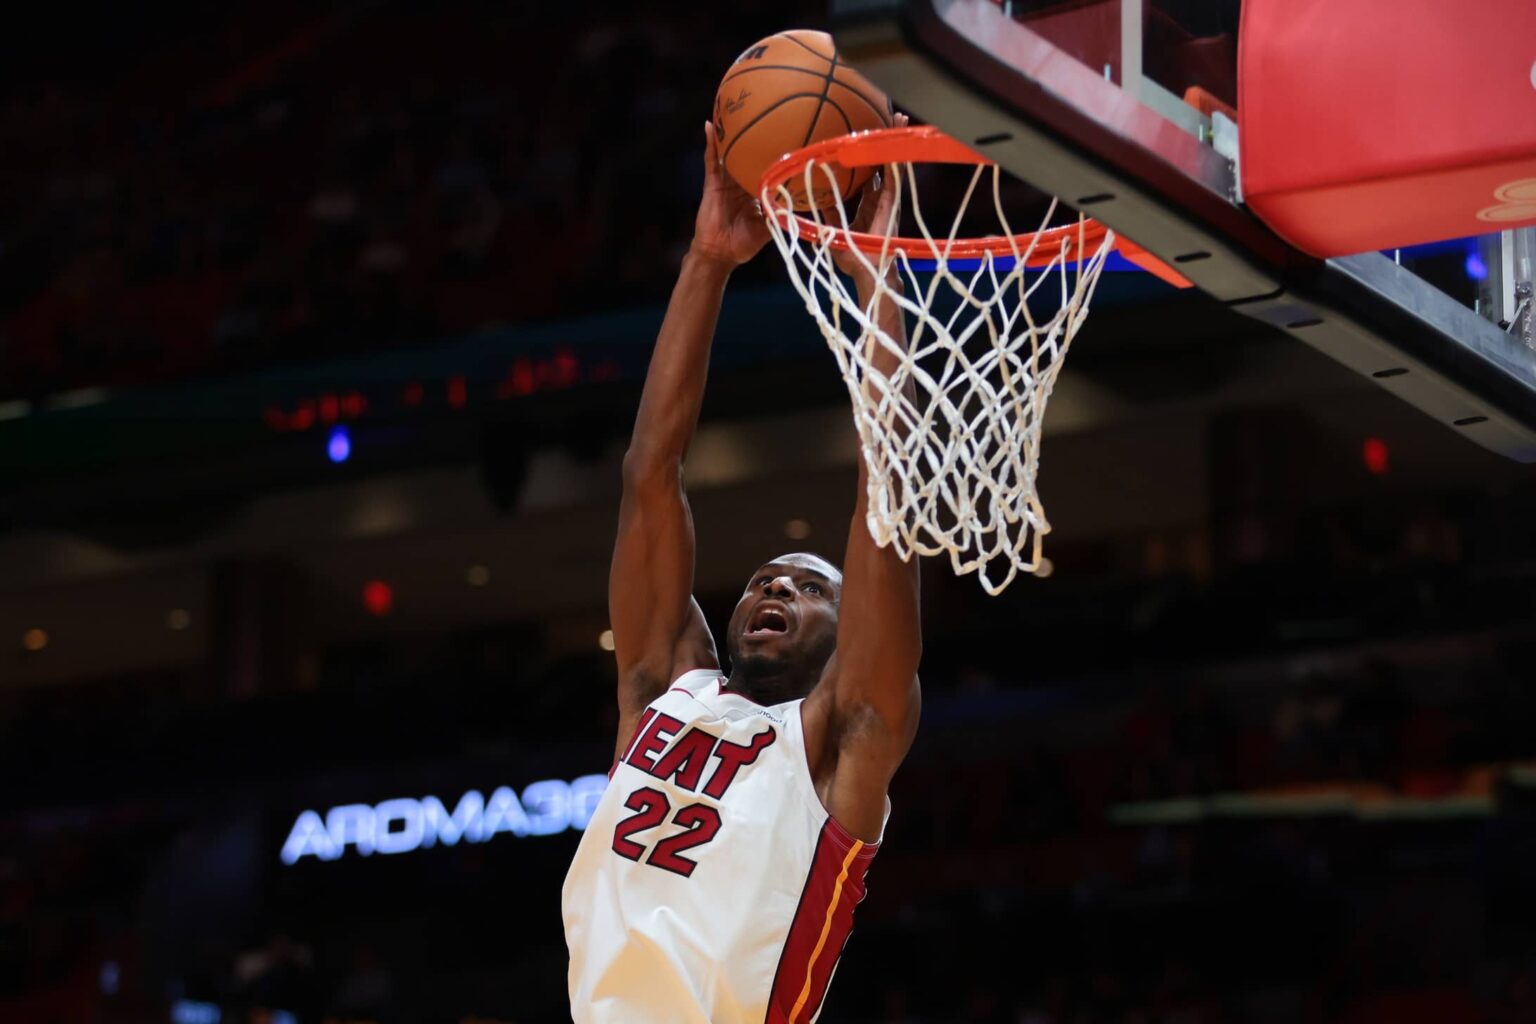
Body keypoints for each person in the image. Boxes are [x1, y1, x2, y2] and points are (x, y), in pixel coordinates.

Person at [562, 115, 922, 1024]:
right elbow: (649, 474)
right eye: (767, 578)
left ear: (852, 638)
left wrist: (879, 282)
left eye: (811, 587)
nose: (776, 588)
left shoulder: (846, 737)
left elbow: (885, 509)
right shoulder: (662, 690)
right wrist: (709, 259)